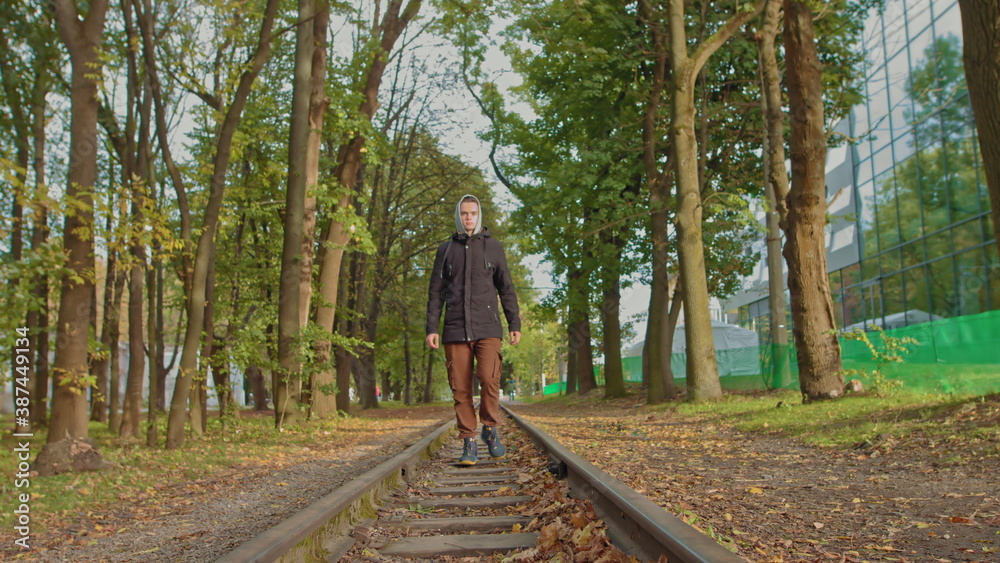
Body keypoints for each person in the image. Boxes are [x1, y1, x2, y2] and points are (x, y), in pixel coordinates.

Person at [426, 194, 521, 466]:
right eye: (465, 213)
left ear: (479, 216)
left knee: (490, 379)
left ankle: (490, 430)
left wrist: (514, 323)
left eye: (473, 213)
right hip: (455, 329)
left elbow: (506, 288)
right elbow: (436, 293)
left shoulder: (494, 248)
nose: (469, 217)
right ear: (458, 216)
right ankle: (469, 441)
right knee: (460, 389)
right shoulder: (445, 251)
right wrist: (432, 327)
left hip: (488, 327)